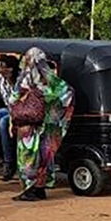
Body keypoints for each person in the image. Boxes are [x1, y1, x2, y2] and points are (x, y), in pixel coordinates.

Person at [10, 47, 75, 202]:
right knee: (44, 157)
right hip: (46, 126)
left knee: (27, 156)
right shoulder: (52, 80)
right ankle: (40, 189)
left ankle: (29, 190)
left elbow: (13, 98)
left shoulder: (25, 78)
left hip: (28, 126)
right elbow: (67, 93)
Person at [0, 55, 19, 181]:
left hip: (20, 110)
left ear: (11, 69)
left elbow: (18, 103)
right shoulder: (1, 80)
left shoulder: (21, 81)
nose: (0, 69)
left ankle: (9, 162)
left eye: (3, 67)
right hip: (8, 108)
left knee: (3, 122)